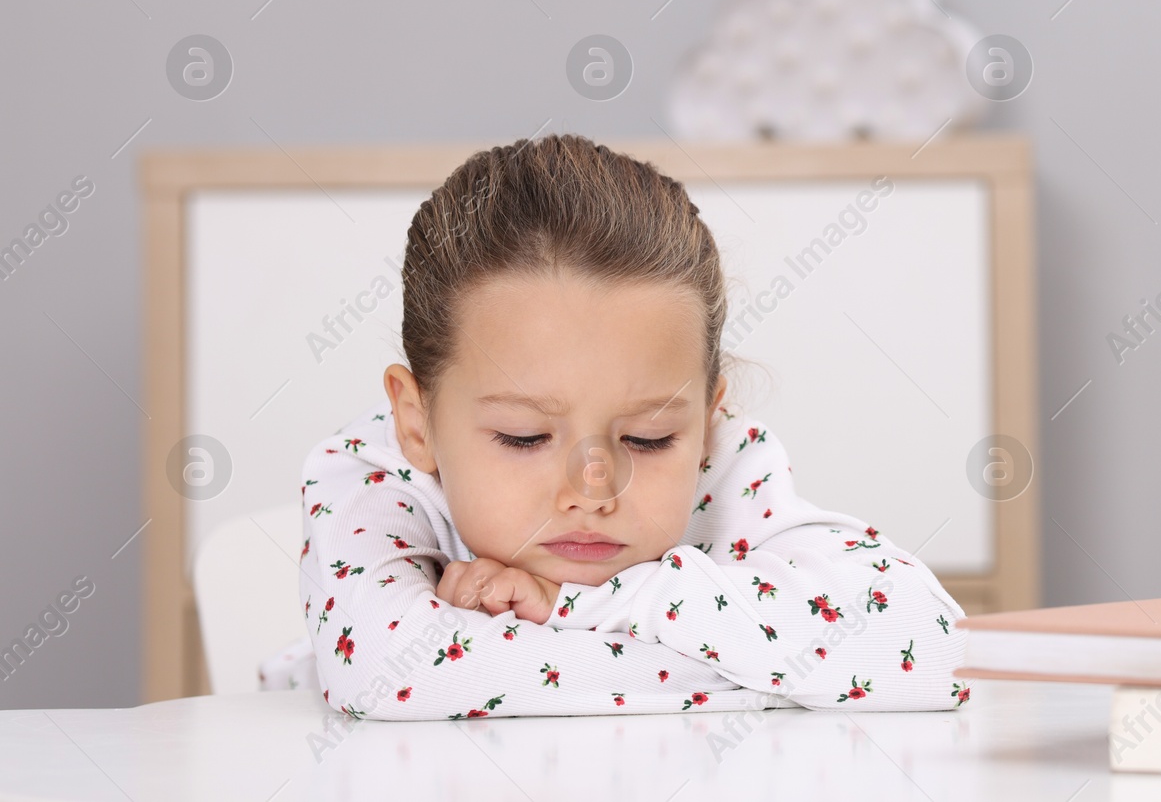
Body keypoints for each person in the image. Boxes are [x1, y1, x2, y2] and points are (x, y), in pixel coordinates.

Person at [260, 133, 970, 719]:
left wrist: (579, 603)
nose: (592, 488)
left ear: (707, 420)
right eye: (523, 436)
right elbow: (394, 677)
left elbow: (932, 645)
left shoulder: (722, 464)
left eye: (648, 438)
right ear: (416, 421)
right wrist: (774, 677)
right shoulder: (367, 470)